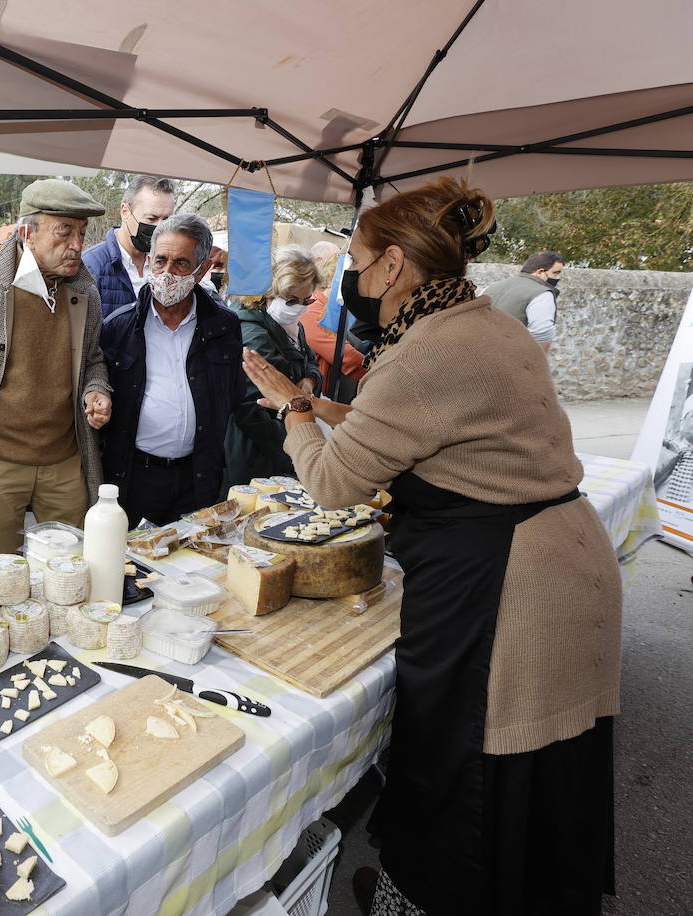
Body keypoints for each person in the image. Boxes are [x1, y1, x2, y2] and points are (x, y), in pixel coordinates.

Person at [241, 178, 619, 916]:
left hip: (510, 588)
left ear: (390, 267)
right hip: (566, 558)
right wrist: (331, 408)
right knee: (537, 781)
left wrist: (293, 411)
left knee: (466, 771)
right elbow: (434, 424)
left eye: (354, 257)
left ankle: (420, 903)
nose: (348, 275)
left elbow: (331, 483)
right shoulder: (481, 323)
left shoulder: (421, 354)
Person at [0, 178, 113, 557]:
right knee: (3, 578)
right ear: (28, 233)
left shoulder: (85, 294)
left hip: (65, 462)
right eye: (64, 232)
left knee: (71, 569)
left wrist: (98, 390)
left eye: (81, 232)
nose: (77, 245)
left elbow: (93, 359)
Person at [99, 214, 245, 527]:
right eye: (161, 261)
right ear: (149, 261)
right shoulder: (119, 327)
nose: (167, 273)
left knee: (193, 564)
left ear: (202, 269)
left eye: (181, 263)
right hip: (135, 478)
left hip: (198, 478)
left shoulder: (224, 326)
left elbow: (234, 397)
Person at [223, 246, 324, 489]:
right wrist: (295, 455)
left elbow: (310, 361)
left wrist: (310, 379)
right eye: (291, 300)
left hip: (290, 434)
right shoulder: (250, 332)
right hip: (262, 451)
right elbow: (253, 407)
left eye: (306, 300)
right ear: (265, 294)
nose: (299, 307)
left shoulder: (290, 325)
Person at [81, 175, 177, 317]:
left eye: (166, 219)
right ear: (125, 212)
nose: (159, 228)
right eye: (151, 218)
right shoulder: (90, 266)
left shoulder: (170, 265)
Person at [299, 240, 368, 396]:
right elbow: (346, 357)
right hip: (320, 398)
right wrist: (379, 377)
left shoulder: (331, 309)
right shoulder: (312, 311)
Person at [482, 249, 564, 352]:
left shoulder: (490, 288)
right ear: (540, 272)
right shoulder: (542, 294)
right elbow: (542, 335)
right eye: (555, 273)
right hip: (513, 359)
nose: (558, 277)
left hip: (481, 356)